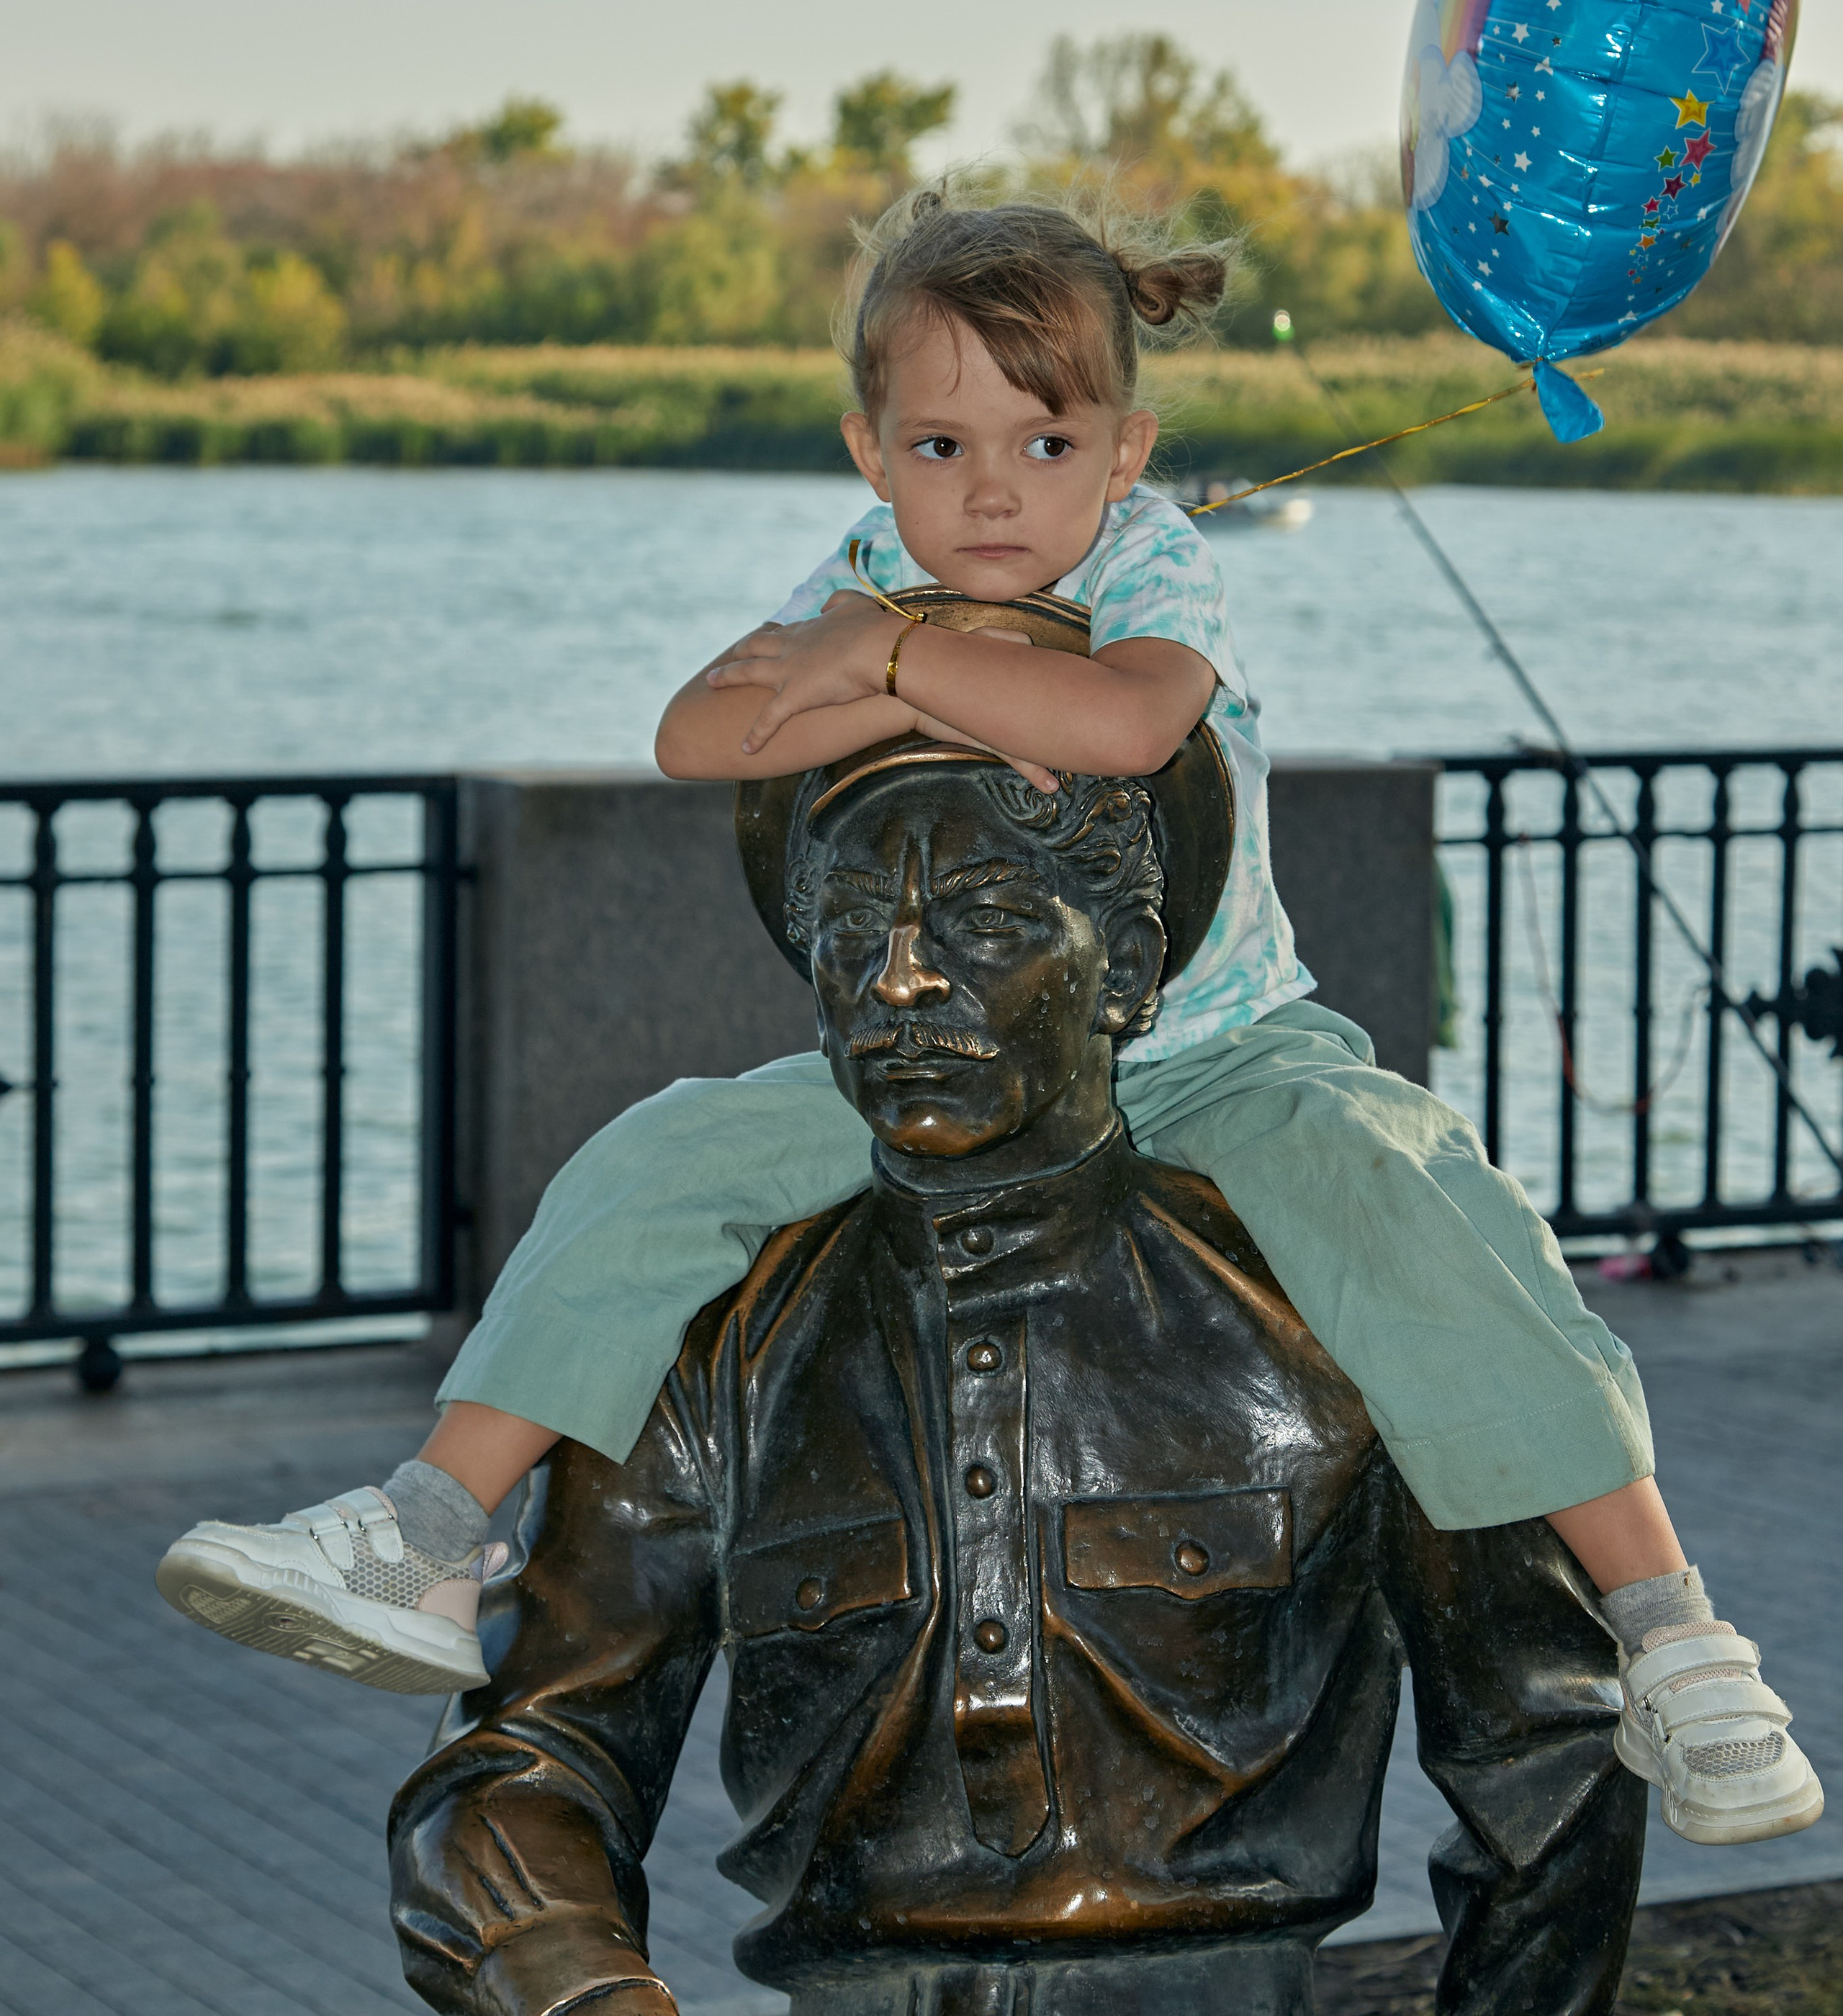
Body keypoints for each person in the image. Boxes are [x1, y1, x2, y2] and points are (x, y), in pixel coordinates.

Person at [159, 184, 1820, 1850]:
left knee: (1424, 1208)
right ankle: (436, 1526)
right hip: (936, 1059)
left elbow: (1123, 721)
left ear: (1123, 447)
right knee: (652, 1161)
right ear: (868, 453)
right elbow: (691, 734)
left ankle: (1666, 1622)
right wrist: (873, 644)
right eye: (940, 447)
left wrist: (883, 667)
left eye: (1042, 444)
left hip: (1216, 1043)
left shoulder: (1145, 556)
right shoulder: (865, 574)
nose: (991, 494)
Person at [388, 742, 1646, 2016]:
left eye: (985, 921)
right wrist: (583, 1991)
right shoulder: (712, 1337)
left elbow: (1549, 1759)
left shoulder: (1328, 1303)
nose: (902, 979)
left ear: (1131, 972)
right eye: (853, 929)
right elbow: (522, 1759)